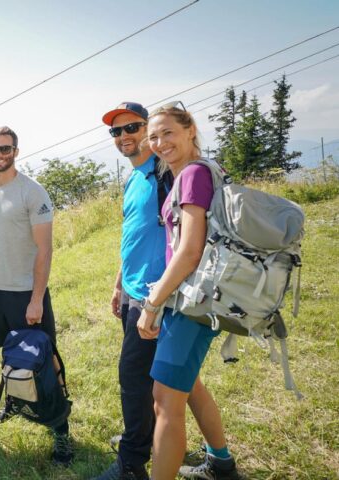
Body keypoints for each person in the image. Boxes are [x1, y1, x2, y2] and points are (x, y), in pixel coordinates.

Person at [136, 102, 241, 480]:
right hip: (198, 296)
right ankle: (222, 463)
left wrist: (153, 303)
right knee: (189, 383)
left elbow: (190, 250)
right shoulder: (195, 171)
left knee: (165, 403)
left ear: (190, 130)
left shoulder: (194, 174)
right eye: (154, 136)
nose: (160, 142)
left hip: (194, 301)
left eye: (168, 132)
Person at [0, 126, 73, 466]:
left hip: (26, 293)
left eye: (5, 149)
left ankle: (61, 432)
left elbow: (44, 250)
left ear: (16, 150)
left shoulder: (33, 192)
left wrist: (36, 299)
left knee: (46, 359)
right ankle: (15, 404)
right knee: (11, 354)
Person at [94, 102, 168, 480]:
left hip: (157, 296)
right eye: (116, 132)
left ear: (149, 128)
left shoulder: (164, 174)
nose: (124, 136)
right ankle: (160, 438)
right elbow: (133, 236)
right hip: (133, 291)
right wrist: (119, 284)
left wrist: (155, 299)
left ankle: (132, 462)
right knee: (160, 378)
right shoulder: (133, 178)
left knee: (133, 376)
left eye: (132, 127)